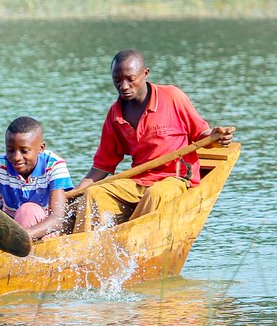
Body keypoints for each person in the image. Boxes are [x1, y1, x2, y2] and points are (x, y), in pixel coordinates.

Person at [74, 50, 235, 231]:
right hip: (138, 180)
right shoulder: (115, 114)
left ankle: (129, 240)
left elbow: (202, 135)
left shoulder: (172, 96)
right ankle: (87, 248)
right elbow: (101, 166)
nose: (124, 86)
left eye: (130, 79)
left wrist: (216, 138)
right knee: (94, 194)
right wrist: (76, 193)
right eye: (117, 80)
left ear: (145, 73)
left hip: (176, 178)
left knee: (155, 195)